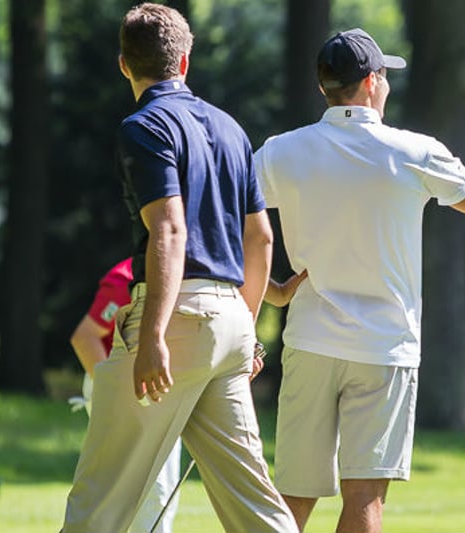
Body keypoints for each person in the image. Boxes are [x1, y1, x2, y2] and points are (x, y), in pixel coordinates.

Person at [253, 28, 465, 533]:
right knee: (365, 501)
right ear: (374, 82)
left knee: (291, 500)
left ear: (324, 89)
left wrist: (271, 291)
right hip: (384, 345)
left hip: (309, 339)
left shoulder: (279, 152)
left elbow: (227, 225)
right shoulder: (413, 150)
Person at [61, 4, 297, 532]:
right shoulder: (232, 129)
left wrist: (152, 335)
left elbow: (169, 229)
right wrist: (248, 327)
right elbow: (259, 237)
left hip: (176, 321)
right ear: (185, 62)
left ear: (124, 65)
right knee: (255, 507)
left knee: (100, 499)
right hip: (233, 323)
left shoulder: (142, 126)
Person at [68, 257, 182, 533]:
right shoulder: (128, 277)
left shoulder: (191, 269)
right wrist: (116, 393)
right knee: (152, 487)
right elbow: (85, 338)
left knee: (163, 487)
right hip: (123, 384)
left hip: (160, 386)